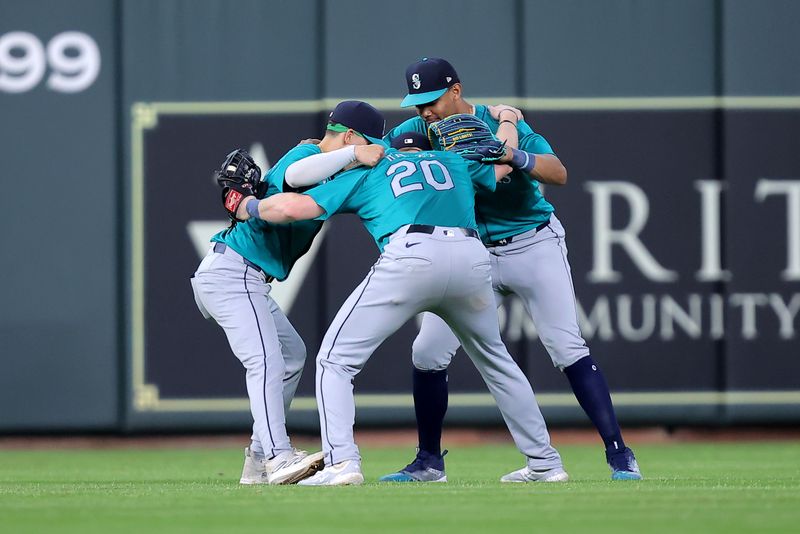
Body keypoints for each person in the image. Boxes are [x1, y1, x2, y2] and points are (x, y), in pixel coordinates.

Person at [233, 119, 568, 486]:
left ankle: (342, 462)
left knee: (335, 359)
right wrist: (507, 122)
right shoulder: (454, 161)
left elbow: (295, 208)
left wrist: (248, 205)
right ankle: (545, 462)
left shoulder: (375, 166)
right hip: (472, 256)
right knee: (497, 359)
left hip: (412, 254)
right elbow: (503, 164)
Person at [381, 57, 642, 482]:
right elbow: (377, 146)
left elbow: (558, 172)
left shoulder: (498, 123)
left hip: (532, 242)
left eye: (431, 99)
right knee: (427, 352)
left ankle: (619, 454)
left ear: (456, 91)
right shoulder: (415, 133)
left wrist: (513, 151)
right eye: (417, 103)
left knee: (565, 346)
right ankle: (429, 461)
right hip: (472, 254)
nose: (424, 110)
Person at [190, 100, 385, 485]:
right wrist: (353, 153)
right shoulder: (309, 153)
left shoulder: (330, 172)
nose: (371, 152)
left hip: (246, 277)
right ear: (349, 135)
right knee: (265, 362)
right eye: (367, 142)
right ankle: (279, 457)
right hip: (232, 271)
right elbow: (296, 172)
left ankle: (259, 457)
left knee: (292, 354)